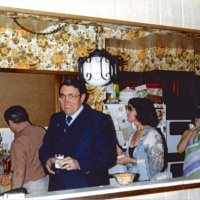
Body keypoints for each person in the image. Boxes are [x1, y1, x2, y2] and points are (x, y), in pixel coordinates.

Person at [39, 79, 117, 191]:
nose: (66, 102)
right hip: (57, 187)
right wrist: (47, 160)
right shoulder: (56, 119)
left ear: (82, 97)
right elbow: (45, 148)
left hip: (87, 189)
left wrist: (79, 163)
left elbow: (108, 157)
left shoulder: (98, 120)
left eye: (72, 96)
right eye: (62, 96)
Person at [116, 98, 165, 181]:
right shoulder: (133, 134)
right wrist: (121, 154)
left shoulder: (152, 134)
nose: (127, 112)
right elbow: (132, 161)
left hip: (148, 184)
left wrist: (131, 160)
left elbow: (158, 165)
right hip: (133, 182)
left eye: (130, 109)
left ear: (140, 110)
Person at [4, 105, 48, 194]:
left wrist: (12, 195)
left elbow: (19, 173)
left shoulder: (18, 143)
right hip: (46, 182)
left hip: (30, 188)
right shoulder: (41, 130)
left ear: (10, 122)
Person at [177, 108, 200, 177]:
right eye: (197, 120)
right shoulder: (187, 132)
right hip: (189, 168)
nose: (199, 123)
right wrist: (189, 134)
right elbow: (179, 150)